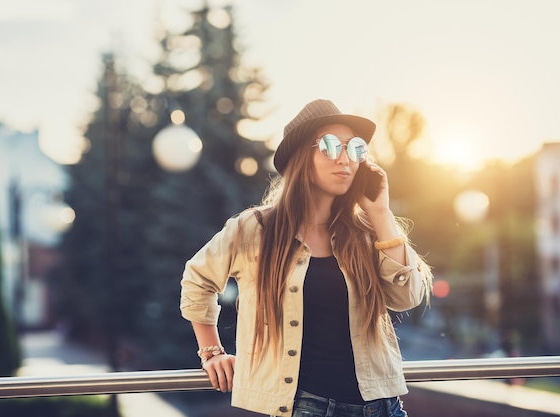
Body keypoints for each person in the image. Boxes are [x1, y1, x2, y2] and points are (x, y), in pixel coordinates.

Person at [180, 99, 433, 417]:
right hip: (307, 408)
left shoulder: (369, 230)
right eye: (330, 146)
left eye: (355, 148)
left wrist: (381, 212)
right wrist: (212, 351)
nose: (345, 159)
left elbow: (406, 297)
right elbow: (197, 278)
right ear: (301, 155)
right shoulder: (256, 229)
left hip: (384, 406)